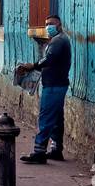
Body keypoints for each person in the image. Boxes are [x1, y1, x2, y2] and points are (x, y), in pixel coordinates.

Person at [18, 13, 70, 164]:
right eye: (47, 23)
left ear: (59, 25)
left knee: (46, 117)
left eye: (52, 24)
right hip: (58, 84)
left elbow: (49, 59)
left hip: (54, 85)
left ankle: (39, 151)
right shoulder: (58, 40)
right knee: (56, 119)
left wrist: (32, 66)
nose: (48, 26)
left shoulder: (58, 41)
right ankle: (56, 149)